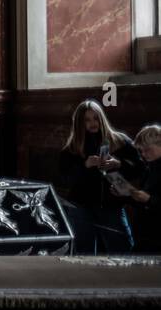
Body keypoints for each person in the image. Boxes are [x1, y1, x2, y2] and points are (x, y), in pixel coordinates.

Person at [58, 100, 143, 253]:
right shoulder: (72, 148)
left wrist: (119, 164)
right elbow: (63, 178)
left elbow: (141, 167)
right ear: (79, 123)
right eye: (87, 120)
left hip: (111, 205)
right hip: (81, 207)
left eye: (96, 118)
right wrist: (85, 165)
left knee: (123, 248)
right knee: (84, 252)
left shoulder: (120, 141)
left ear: (102, 118)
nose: (92, 123)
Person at [127, 124, 161, 253]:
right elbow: (143, 203)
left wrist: (149, 199)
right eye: (141, 150)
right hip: (145, 235)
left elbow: (151, 201)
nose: (143, 154)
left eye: (147, 149)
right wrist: (128, 194)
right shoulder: (150, 168)